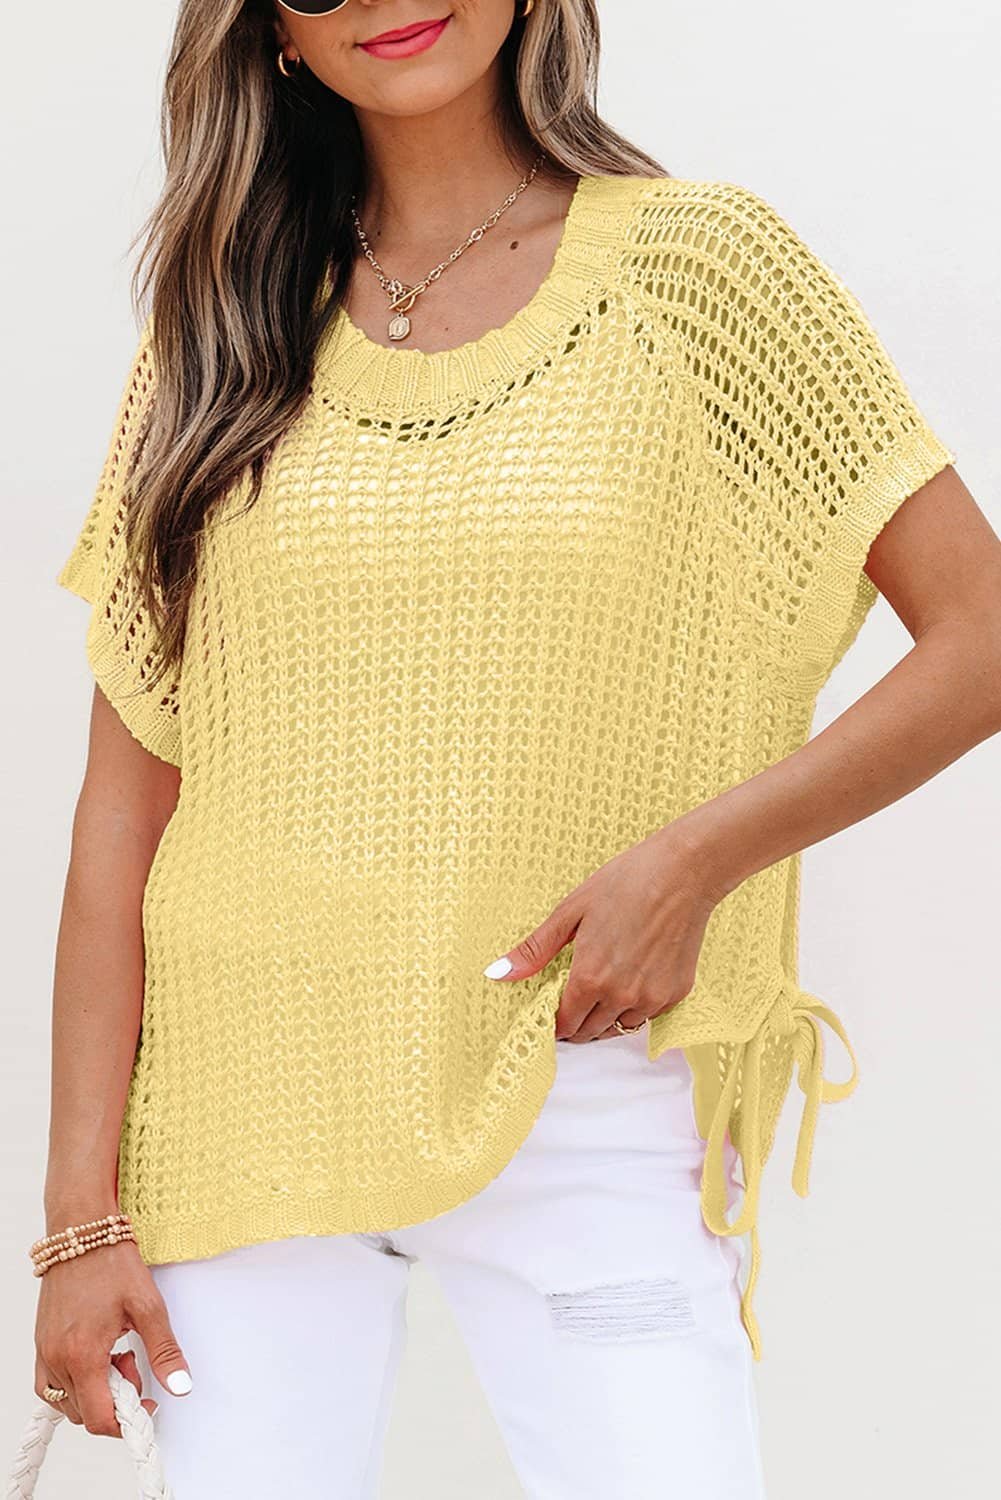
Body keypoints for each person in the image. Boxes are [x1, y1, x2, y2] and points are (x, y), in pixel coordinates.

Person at [32, 2, 1001, 1496]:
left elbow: (979, 632)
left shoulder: (698, 273)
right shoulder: (220, 335)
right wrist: (79, 1218)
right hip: (242, 1104)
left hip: (574, 1083)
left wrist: (692, 863)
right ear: (273, 32)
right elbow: (120, 817)